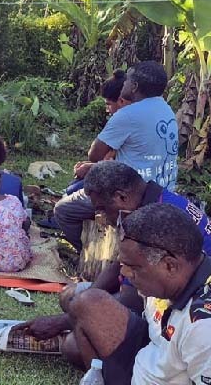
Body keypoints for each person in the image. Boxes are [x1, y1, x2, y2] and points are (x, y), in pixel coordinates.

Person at [16, 161, 211, 348]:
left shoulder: (155, 219)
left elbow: (131, 298)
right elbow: (120, 265)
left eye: (102, 208)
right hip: (163, 297)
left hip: (183, 310)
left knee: (74, 345)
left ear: (121, 197)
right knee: (70, 297)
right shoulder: (152, 201)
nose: (102, 216)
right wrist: (87, 298)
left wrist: (61, 322)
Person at [56, 204, 211, 384]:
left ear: (170, 265)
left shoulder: (203, 327)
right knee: (85, 303)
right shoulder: (170, 278)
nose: (124, 273)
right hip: (153, 353)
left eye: (134, 267)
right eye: (123, 264)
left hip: (162, 371)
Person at [55, 61, 179, 252]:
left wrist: (94, 164)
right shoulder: (166, 109)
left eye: (128, 80)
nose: (124, 84)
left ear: (135, 86)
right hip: (163, 190)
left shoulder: (128, 114)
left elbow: (94, 154)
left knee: (64, 210)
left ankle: (90, 253)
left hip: (131, 195)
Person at [66, 69, 127, 196]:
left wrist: (91, 166)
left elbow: (94, 155)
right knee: (73, 187)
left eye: (109, 104)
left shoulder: (123, 119)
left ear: (121, 101)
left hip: (124, 184)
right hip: (121, 175)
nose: (107, 110)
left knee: (70, 194)